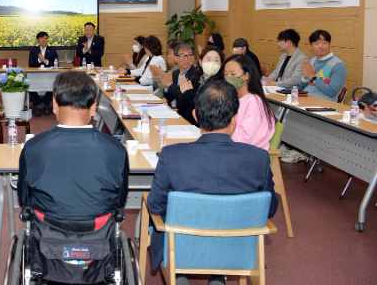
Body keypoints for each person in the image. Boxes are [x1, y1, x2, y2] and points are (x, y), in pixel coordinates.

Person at [146, 80, 278, 285]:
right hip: (237, 251)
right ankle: (219, 275)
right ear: (235, 119)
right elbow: (269, 210)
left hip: (182, 249)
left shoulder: (172, 155)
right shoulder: (259, 158)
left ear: (196, 116)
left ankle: (178, 275)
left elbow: (155, 205)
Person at [18, 71, 128, 219]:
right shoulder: (117, 149)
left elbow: (24, 197)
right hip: (99, 232)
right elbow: (120, 199)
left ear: (55, 105)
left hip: (47, 232)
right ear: (94, 106)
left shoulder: (33, 147)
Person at [224, 54, 276, 150]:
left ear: (246, 75)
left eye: (233, 74)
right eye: (225, 74)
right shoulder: (233, 97)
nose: (228, 78)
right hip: (231, 147)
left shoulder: (254, 102)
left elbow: (241, 140)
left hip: (247, 153)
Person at [175, 46, 225, 126]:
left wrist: (188, 93)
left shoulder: (221, 85)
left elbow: (205, 108)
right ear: (201, 62)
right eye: (208, 59)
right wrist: (184, 94)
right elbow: (182, 107)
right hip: (187, 125)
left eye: (216, 60)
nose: (212, 63)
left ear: (221, 64)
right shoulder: (195, 80)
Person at [298, 30, 348, 102]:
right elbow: (302, 87)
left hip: (323, 105)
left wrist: (313, 77)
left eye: (324, 43)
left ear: (330, 44)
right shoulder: (311, 61)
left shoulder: (338, 65)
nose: (320, 46)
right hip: (304, 100)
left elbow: (332, 92)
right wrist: (305, 77)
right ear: (311, 46)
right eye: (316, 43)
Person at [156, 43, 196, 109]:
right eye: (182, 55)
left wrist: (170, 85)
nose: (186, 59)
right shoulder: (175, 73)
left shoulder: (196, 74)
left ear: (193, 57)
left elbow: (185, 98)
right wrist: (166, 86)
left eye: (189, 55)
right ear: (176, 58)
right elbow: (170, 98)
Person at [28, 31, 58, 116]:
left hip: (49, 75)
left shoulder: (52, 50)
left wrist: (45, 61)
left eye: (46, 38)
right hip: (35, 75)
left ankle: (40, 105)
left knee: (54, 85)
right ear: (38, 40)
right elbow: (30, 64)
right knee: (28, 84)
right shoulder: (33, 50)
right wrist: (39, 60)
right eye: (42, 38)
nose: (44, 40)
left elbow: (56, 64)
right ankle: (42, 104)